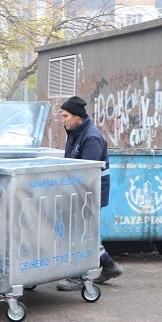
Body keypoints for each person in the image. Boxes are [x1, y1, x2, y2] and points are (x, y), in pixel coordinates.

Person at [56, 96, 124, 291]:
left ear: (78, 116)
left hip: (90, 193)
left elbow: (88, 175)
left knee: (80, 233)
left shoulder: (91, 137)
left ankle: (79, 276)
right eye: (62, 116)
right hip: (78, 192)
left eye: (66, 116)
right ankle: (109, 266)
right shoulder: (75, 132)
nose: (63, 120)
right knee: (81, 232)